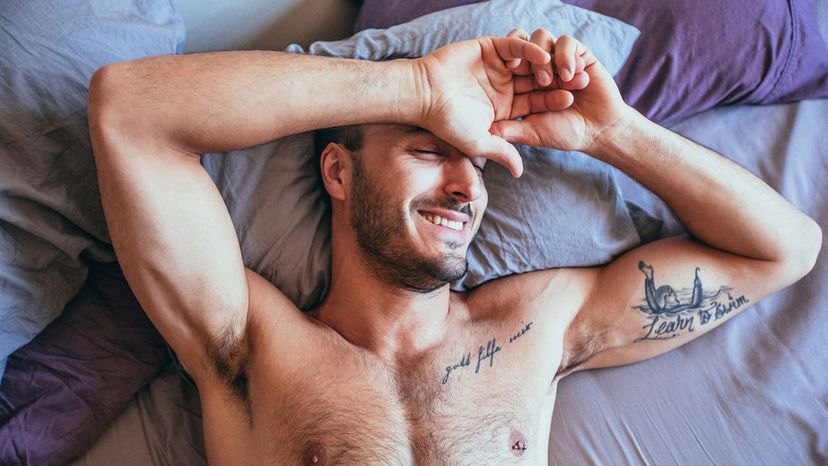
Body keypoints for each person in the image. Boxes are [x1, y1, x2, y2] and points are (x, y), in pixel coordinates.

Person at [87, 27, 821, 465]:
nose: (466, 188)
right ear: (338, 172)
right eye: (430, 150)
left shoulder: (539, 327)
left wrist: (611, 134)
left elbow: (785, 250)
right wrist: (417, 87)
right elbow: (130, 109)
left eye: (480, 162)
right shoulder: (253, 343)